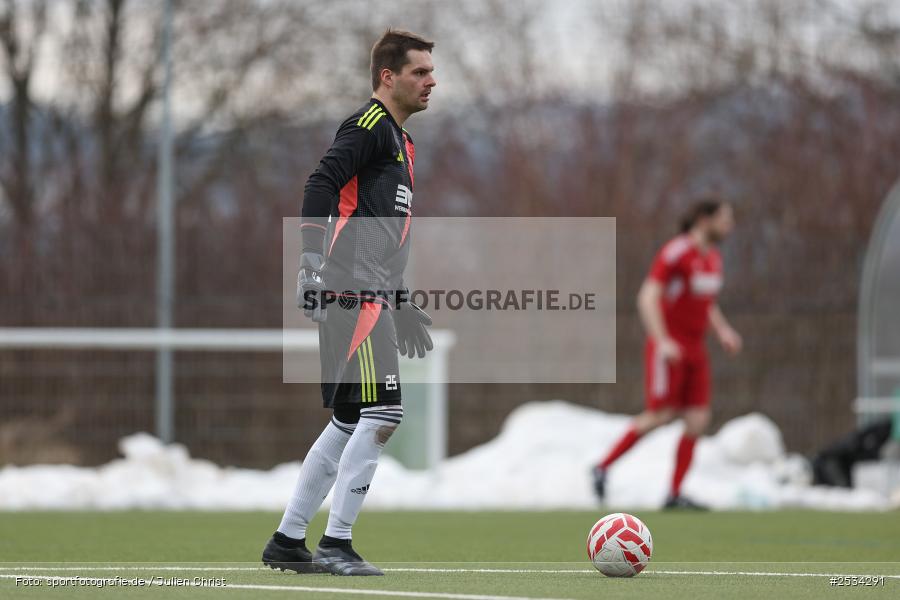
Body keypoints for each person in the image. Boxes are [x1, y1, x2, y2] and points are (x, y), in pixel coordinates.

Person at [262, 29, 437, 576]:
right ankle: (336, 543)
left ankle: (289, 540)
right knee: (385, 412)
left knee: (348, 419)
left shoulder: (402, 143)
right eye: (419, 72)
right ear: (388, 77)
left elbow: (379, 231)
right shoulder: (369, 126)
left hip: (371, 292)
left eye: (432, 72)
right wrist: (310, 261)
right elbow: (321, 182)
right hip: (349, 290)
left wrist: (402, 302)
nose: (431, 81)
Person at [592, 199, 742, 510]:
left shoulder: (713, 258)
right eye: (725, 219)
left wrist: (723, 331)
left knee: (698, 419)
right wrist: (662, 340)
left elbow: (706, 302)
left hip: (696, 348)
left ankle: (674, 493)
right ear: (704, 219)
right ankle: (602, 466)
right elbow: (647, 297)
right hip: (670, 348)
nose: (730, 225)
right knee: (660, 415)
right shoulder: (676, 253)